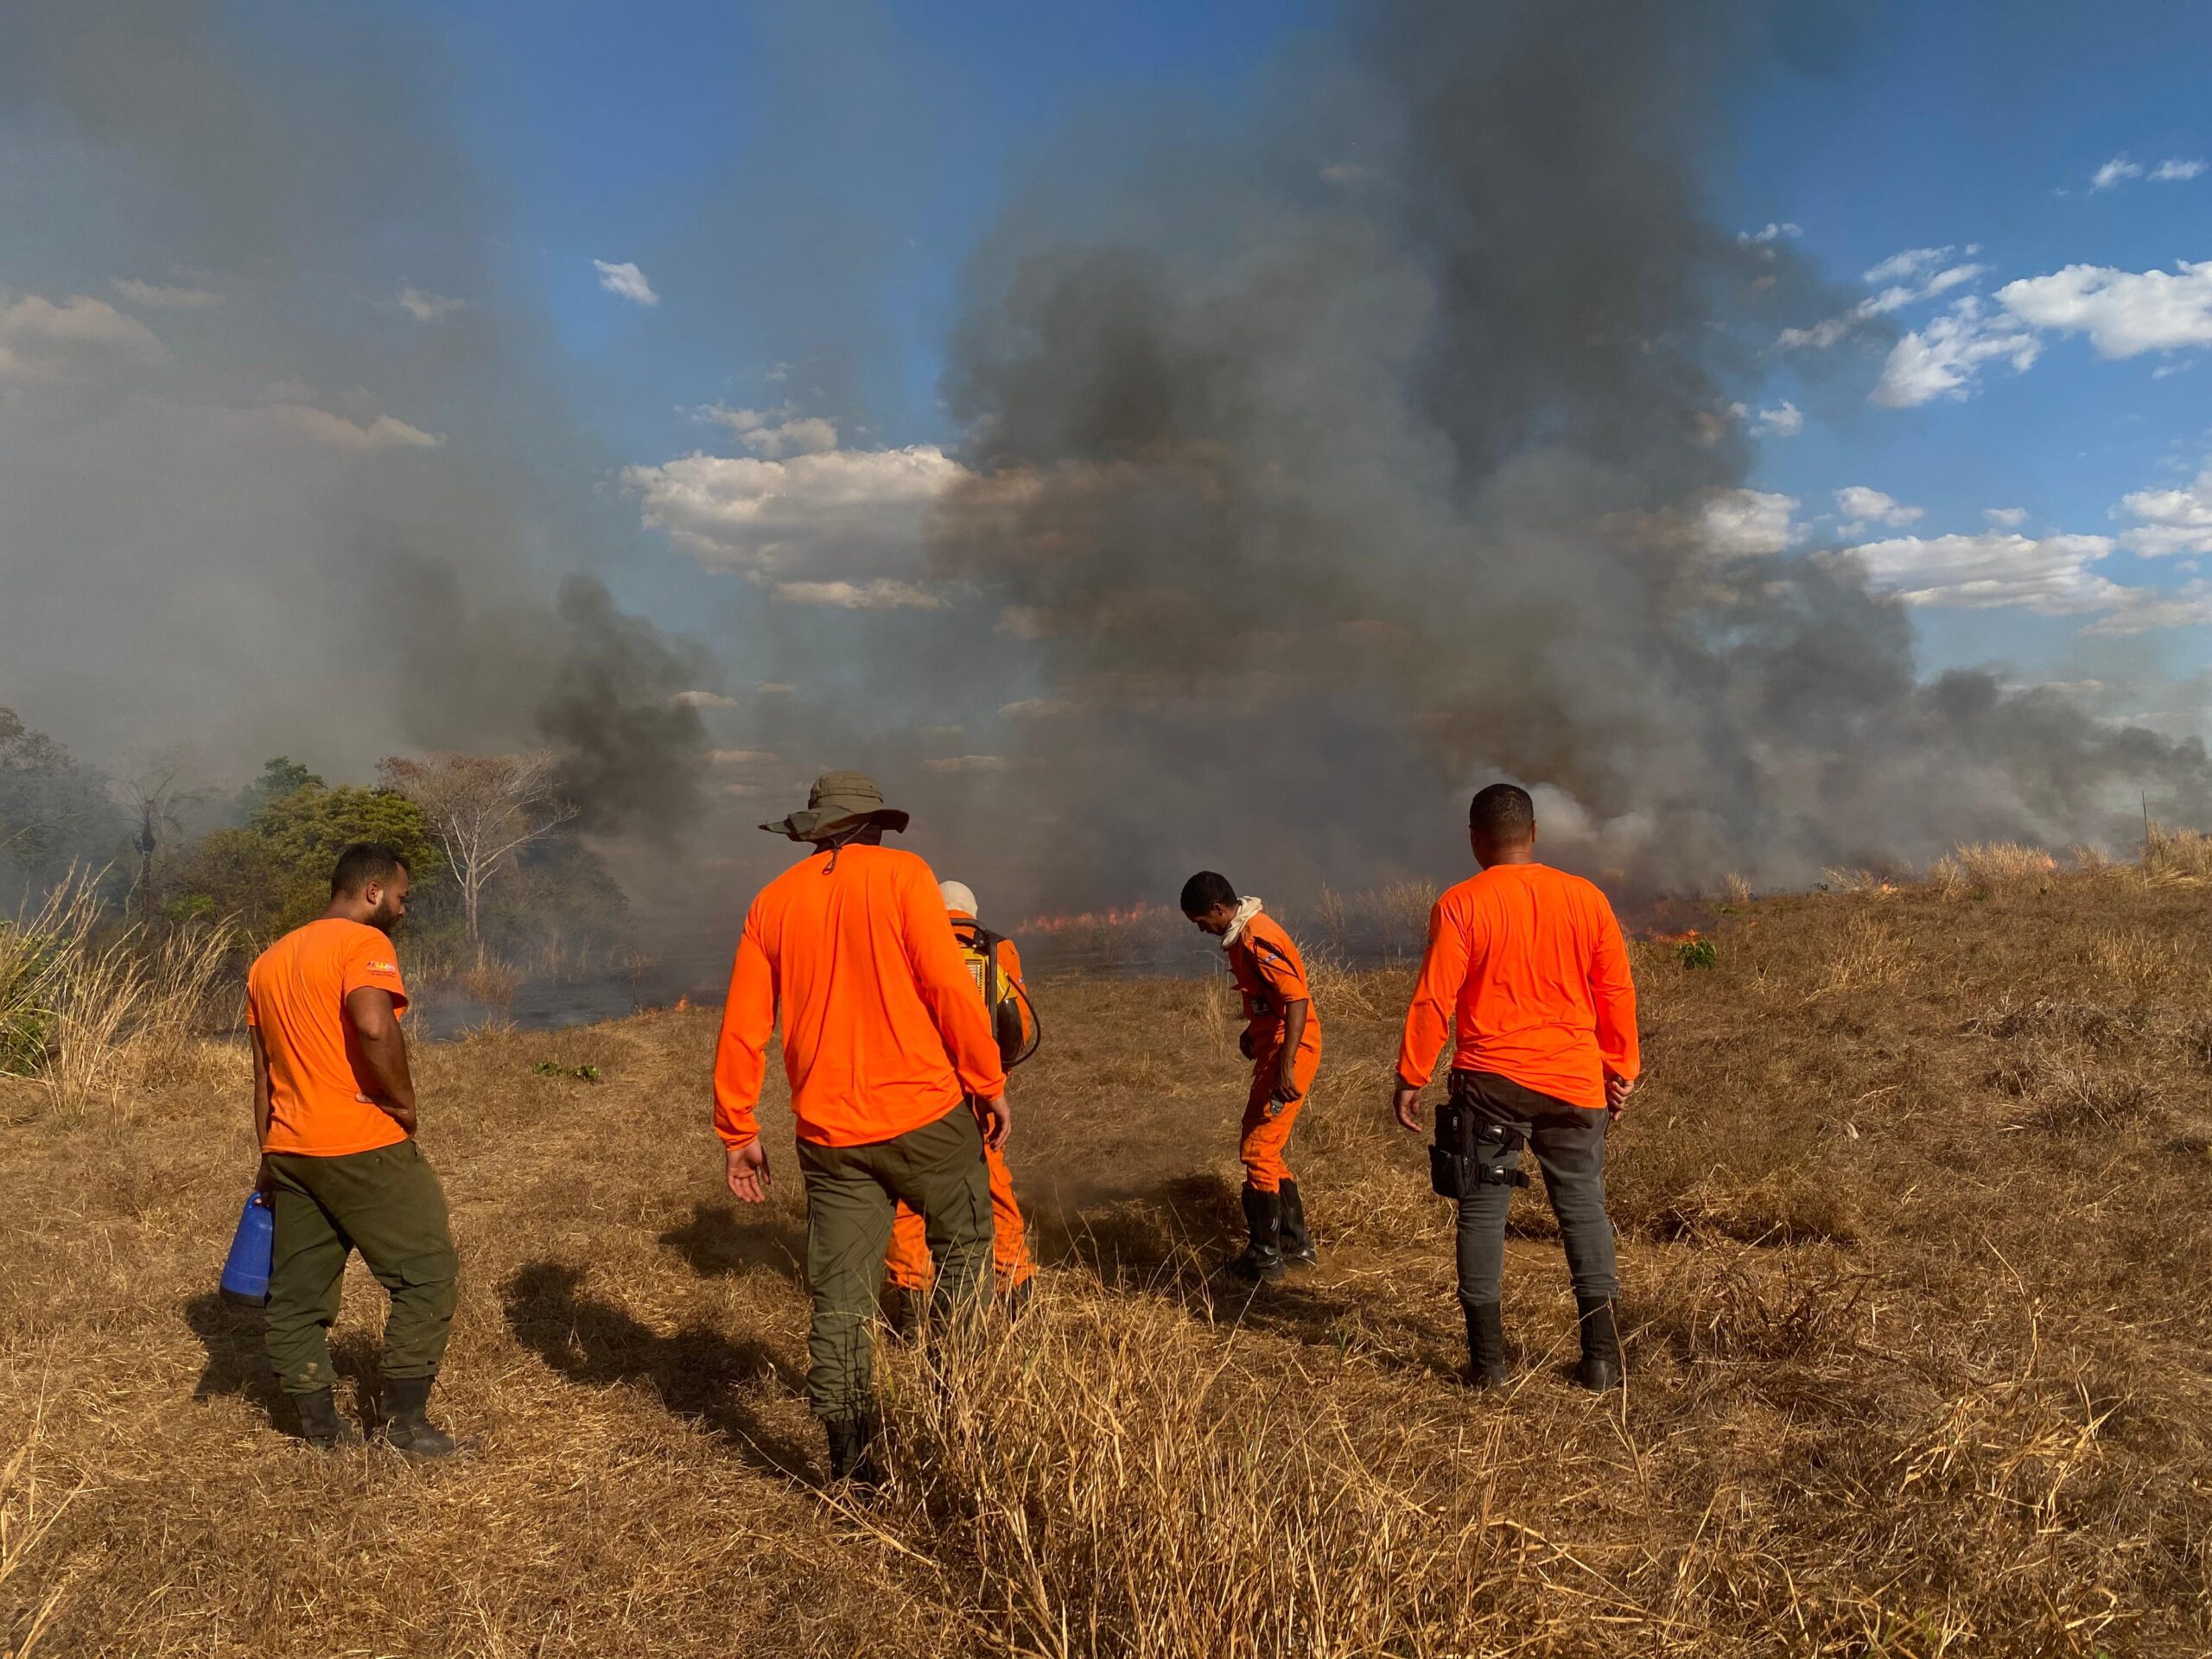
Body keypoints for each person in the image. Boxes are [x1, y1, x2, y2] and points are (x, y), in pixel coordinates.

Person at [713, 772, 1010, 1484]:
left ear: (813, 834)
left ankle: (855, 1466)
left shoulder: (771, 904)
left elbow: (743, 1028)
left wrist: (738, 1130)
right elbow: (948, 985)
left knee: (841, 1300)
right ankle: (957, 1406)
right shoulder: (907, 876)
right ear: (873, 825)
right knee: (966, 1247)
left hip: (830, 1137)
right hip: (928, 1117)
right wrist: (988, 1083)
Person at [1391, 784, 1639, 1393]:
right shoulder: (1587, 898)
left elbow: (1435, 998)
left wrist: (1411, 1074)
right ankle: (1601, 1361)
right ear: (1533, 835)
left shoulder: (1459, 903)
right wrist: (1621, 1067)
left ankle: (1489, 1365)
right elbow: (1615, 992)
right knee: (1583, 1210)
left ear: (1476, 840)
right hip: (1576, 1081)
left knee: (1481, 1215)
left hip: (1491, 1084)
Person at [245, 842, 461, 1456]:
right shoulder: (364, 944)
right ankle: (405, 1425)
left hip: (291, 1148)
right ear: (372, 892)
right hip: (359, 1143)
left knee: (296, 1298)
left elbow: (262, 1074)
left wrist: (269, 1153)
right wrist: (403, 1103)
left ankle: (321, 1431)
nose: (402, 908)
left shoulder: (268, 961)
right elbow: (373, 1024)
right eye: (401, 896)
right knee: (427, 1275)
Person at [883, 880, 1038, 1328]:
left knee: (910, 1195)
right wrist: (995, 1080)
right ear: (971, 911)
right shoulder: (997, 948)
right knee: (992, 1187)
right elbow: (1018, 1025)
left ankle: (913, 1304)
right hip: (982, 1091)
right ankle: (1015, 1291)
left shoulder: (905, 942)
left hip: (919, 1091)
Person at [1180, 871, 1322, 1279]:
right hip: (1274, 1047)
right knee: (1262, 1143)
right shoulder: (1242, 935)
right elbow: (1272, 999)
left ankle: (1265, 1257)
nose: (1201, 930)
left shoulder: (1256, 939)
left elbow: (1296, 1000)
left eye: (1200, 922)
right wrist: (1251, 1032)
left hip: (1289, 1052)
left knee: (1259, 1149)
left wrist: (1286, 1065)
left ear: (1217, 910)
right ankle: (1295, 1246)